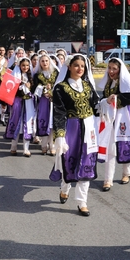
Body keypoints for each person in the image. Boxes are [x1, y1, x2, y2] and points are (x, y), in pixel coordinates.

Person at [52, 54, 99, 217]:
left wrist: (109, 103)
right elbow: (58, 112)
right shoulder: (60, 88)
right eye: (77, 65)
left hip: (88, 128)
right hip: (70, 128)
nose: (80, 69)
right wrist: (59, 135)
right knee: (69, 160)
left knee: (86, 161)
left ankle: (82, 202)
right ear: (69, 67)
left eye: (83, 66)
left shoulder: (87, 86)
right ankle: (65, 188)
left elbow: (96, 106)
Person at [97, 58, 130, 192]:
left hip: (124, 117)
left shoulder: (125, 81)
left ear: (120, 70)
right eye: (109, 68)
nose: (111, 71)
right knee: (110, 146)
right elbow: (103, 97)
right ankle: (108, 179)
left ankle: (126, 173)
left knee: (124, 144)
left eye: (114, 68)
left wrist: (115, 99)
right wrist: (106, 100)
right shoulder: (109, 82)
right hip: (110, 117)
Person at [4, 57, 36, 157]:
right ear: (19, 66)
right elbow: (10, 87)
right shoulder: (16, 75)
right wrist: (20, 85)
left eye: (27, 65)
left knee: (27, 123)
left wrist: (30, 87)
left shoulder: (32, 76)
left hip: (29, 102)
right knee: (16, 122)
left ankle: (26, 149)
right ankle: (13, 147)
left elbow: (35, 90)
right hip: (18, 101)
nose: (25, 67)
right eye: (23, 65)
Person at [32, 53, 59, 155]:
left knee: (52, 122)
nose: (44, 63)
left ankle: (52, 146)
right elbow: (34, 88)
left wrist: (51, 92)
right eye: (42, 61)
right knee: (44, 121)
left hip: (54, 100)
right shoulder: (37, 75)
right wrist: (43, 89)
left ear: (50, 61)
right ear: (40, 62)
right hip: (43, 101)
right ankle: (44, 145)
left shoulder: (56, 73)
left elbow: (60, 86)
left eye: (46, 61)